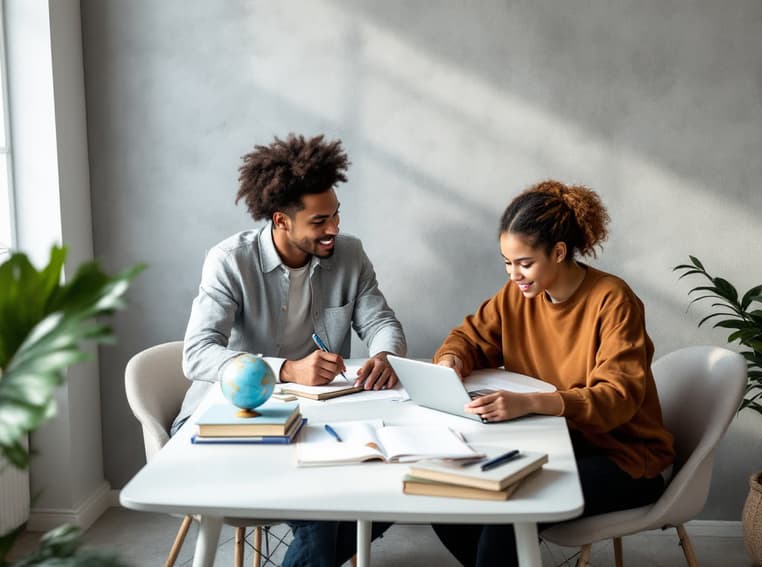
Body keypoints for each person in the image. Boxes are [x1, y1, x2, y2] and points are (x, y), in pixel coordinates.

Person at [171, 133, 406, 567]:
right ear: (281, 221)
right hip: (230, 423)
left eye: (335, 215)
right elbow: (198, 354)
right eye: (319, 221)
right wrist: (288, 370)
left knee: (389, 489)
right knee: (325, 506)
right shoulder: (230, 261)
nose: (333, 228)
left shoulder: (349, 255)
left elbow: (380, 321)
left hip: (318, 423)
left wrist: (383, 355)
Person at [430, 180, 675, 567]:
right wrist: (451, 361)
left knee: (506, 511)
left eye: (525, 263)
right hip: (556, 442)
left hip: (624, 459)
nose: (514, 275)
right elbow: (469, 338)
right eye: (507, 263)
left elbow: (617, 397)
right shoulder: (518, 294)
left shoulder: (613, 300)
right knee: (449, 494)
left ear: (559, 252)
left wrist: (529, 403)